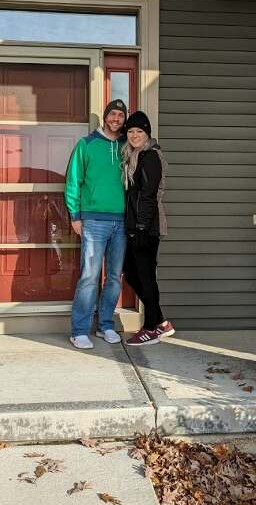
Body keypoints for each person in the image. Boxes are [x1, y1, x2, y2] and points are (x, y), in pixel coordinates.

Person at [64, 99, 129, 349]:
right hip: (93, 221)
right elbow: (73, 181)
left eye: (121, 115)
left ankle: (105, 326)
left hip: (121, 222)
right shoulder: (86, 144)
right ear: (105, 116)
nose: (116, 119)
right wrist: (75, 216)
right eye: (113, 114)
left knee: (114, 277)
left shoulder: (127, 145)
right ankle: (79, 331)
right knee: (89, 276)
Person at [121, 111, 175, 346]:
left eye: (139, 131)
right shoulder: (134, 156)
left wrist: (141, 227)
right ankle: (161, 321)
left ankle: (151, 328)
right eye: (131, 131)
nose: (134, 135)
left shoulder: (150, 157)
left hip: (147, 227)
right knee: (132, 273)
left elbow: (149, 196)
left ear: (147, 134)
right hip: (136, 227)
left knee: (145, 277)